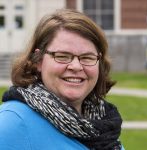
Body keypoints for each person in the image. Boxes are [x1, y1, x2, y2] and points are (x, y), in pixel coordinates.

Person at [0, 9, 124, 150]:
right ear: (38, 60)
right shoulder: (12, 123)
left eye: (87, 57)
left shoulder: (103, 124)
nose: (76, 66)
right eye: (62, 56)